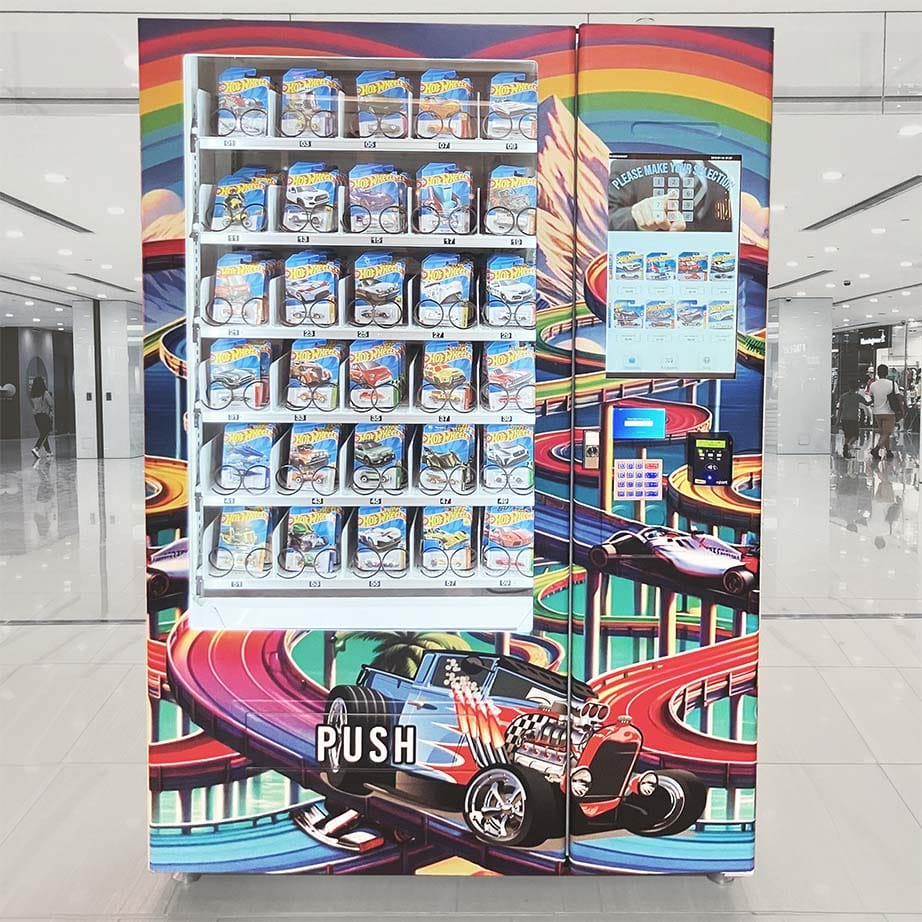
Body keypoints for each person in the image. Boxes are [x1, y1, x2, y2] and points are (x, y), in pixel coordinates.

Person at [867, 364, 900, 460]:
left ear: (878, 373)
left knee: (884, 433)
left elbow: (871, 396)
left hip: (877, 412)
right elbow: (898, 397)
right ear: (887, 373)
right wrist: (901, 410)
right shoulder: (892, 384)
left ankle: (888, 451)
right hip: (889, 412)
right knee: (887, 433)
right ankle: (876, 449)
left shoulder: (873, 385)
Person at [834, 380, 870, 458]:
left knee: (847, 435)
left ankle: (845, 451)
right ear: (857, 388)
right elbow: (867, 403)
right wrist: (874, 399)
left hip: (844, 419)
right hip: (853, 419)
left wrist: (838, 420)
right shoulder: (858, 396)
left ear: (849, 386)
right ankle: (848, 445)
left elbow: (840, 409)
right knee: (855, 435)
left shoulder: (843, 396)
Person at [29, 376, 54, 460]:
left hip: (36, 416)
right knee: (45, 433)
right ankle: (36, 448)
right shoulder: (45, 393)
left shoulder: (32, 395)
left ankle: (49, 451)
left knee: (43, 433)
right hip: (44, 415)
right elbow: (51, 403)